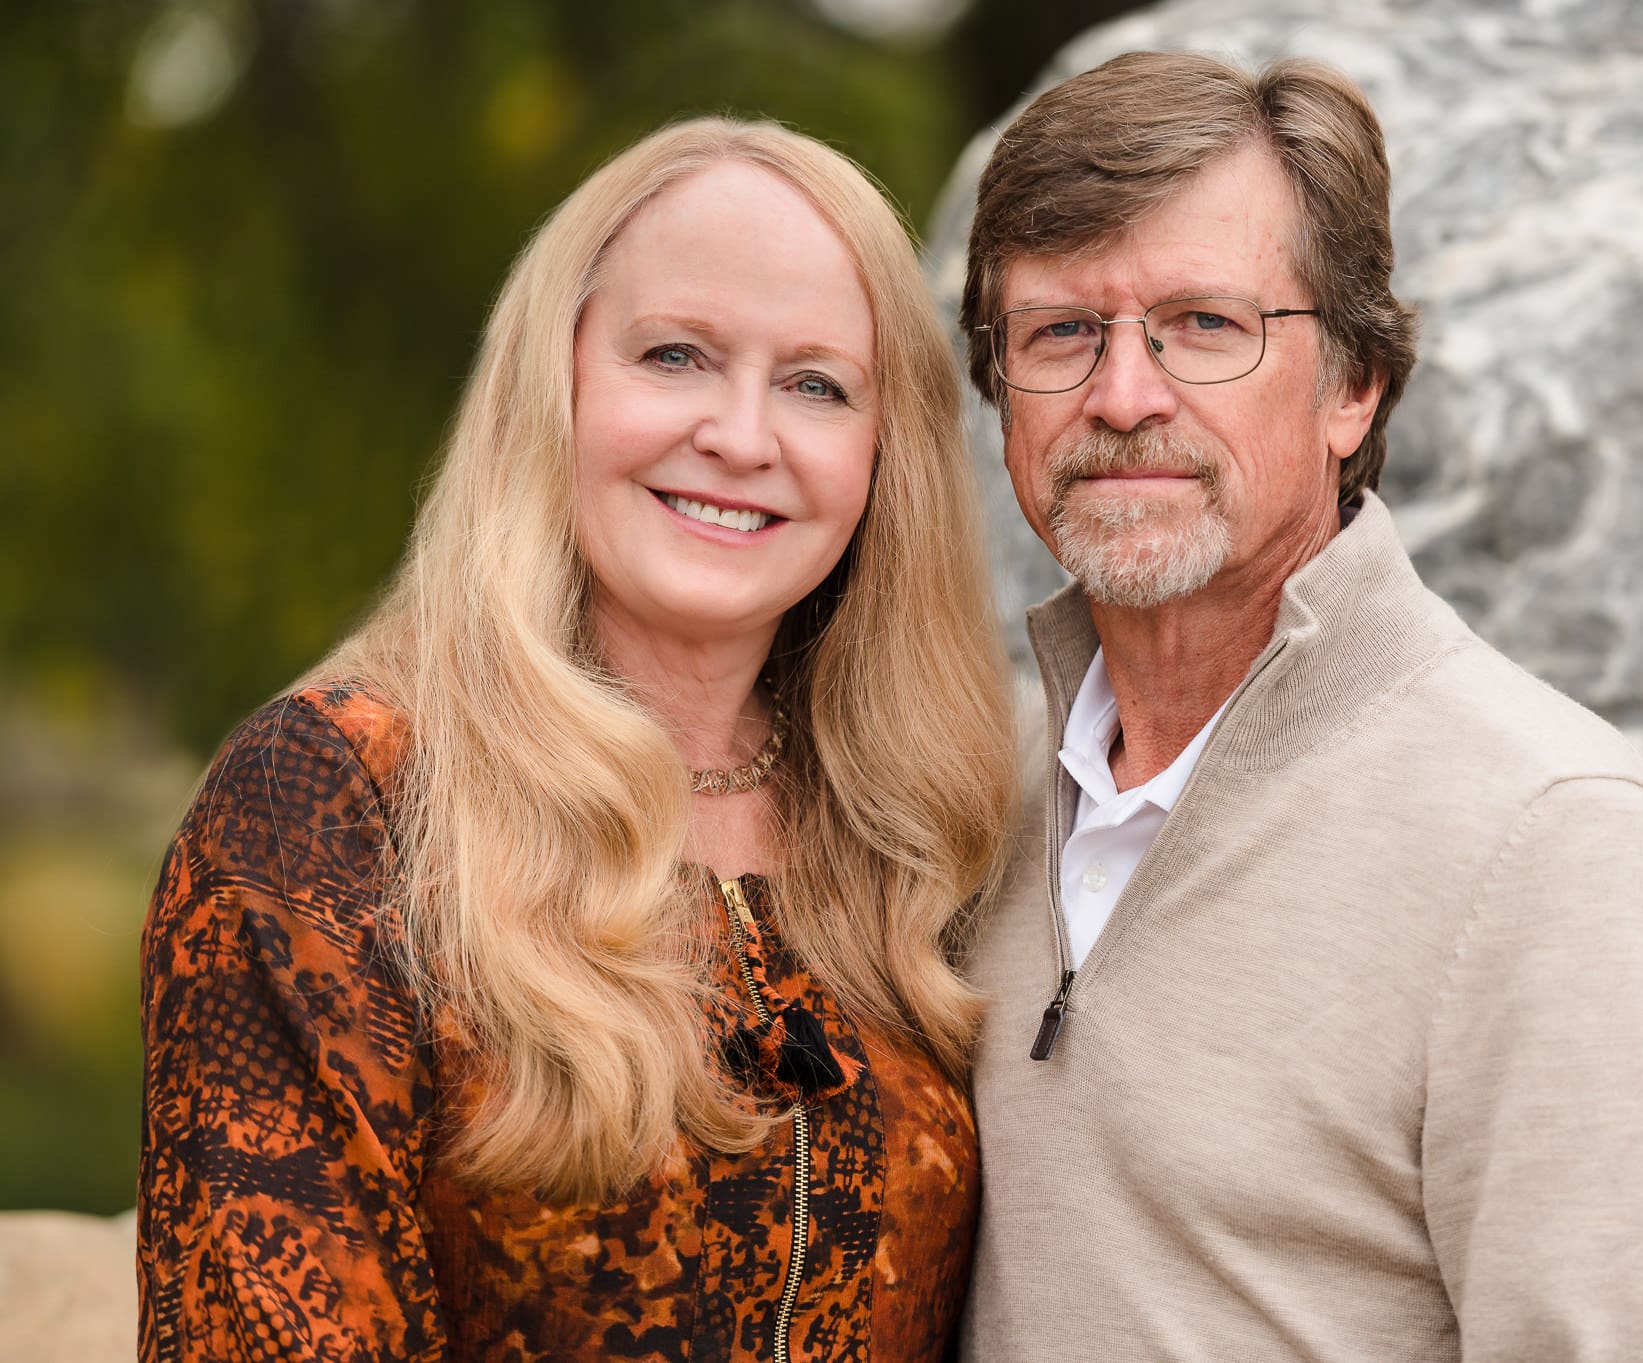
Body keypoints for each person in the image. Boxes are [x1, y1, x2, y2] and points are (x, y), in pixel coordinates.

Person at [138, 117, 1014, 1362]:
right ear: (554, 382)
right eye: (675, 355)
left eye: (816, 384)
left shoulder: (917, 829)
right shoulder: (337, 798)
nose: (742, 436)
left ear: (885, 458)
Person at [956, 50, 1643, 1361]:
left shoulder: (1552, 836)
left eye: (1205, 324)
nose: (1123, 394)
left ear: (1353, 387)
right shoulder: (968, 787)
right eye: (1060, 332)